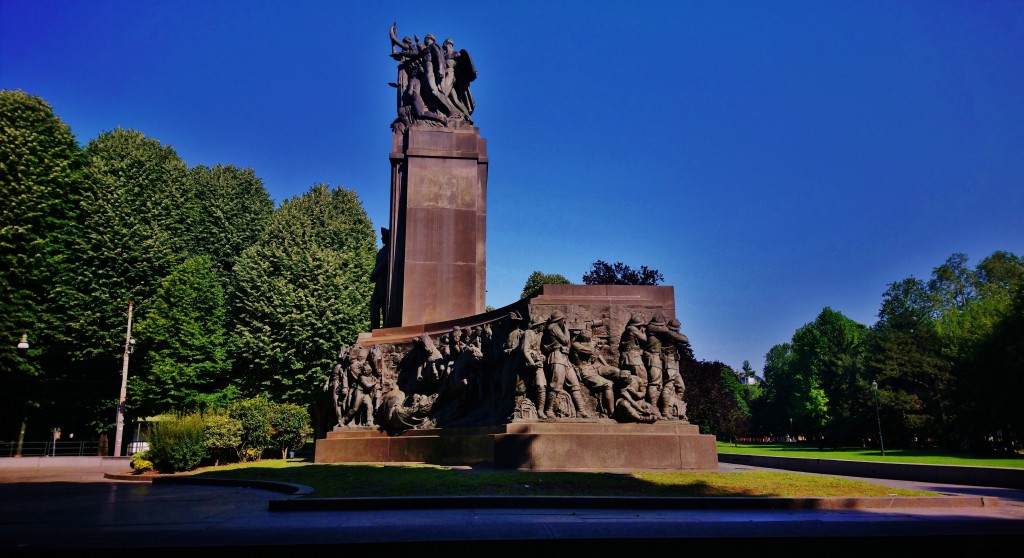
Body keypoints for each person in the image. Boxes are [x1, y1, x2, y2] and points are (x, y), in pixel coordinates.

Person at [542, 310, 589, 418]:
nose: (564, 322)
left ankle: (581, 411)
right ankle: (548, 410)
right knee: (555, 386)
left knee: (575, 384)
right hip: (557, 358)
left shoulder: (557, 327)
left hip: (564, 359)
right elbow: (565, 341)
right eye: (563, 320)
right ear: (559, 320)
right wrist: (566, 329)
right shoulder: (553, 327)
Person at [369, 228, 390, 330]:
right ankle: (374, 328)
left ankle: (386, 327)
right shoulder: (381, 251)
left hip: (385, 282)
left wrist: (373, 274)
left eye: (383, 236)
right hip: (379, 283)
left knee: (385, 305)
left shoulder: (390, 249)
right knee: (374, 305)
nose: (381, 238)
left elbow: (383, 264)